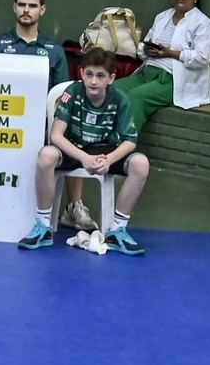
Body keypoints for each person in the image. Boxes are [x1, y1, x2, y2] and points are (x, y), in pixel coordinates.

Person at [20, 47, 151, 253]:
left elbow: (130, 141)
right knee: (46, 155)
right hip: (74, 147)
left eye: (100, 76)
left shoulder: (120, 98)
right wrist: (84, 158)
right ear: (82, 73)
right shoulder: (72, 93)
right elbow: (56, 135)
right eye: (89, 74)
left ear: (111, 78)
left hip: (105, 150)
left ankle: (117, 230)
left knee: (140, 163)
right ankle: (43, 226)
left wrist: (109, 159)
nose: (94, 81)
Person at [112, 0, 210, 129]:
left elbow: (202, 58)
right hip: (147, 74)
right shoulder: (162, 17)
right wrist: (147, 49)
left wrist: (170, 53)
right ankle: (103, 134)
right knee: (113, 89)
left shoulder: (203, 23)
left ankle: (124, 139)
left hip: (173, 80)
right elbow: (142, 48)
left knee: (136, 97)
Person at [0, 0, 67, 86]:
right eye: (21, 5)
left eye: (32, 6)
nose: (26, 10)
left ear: (42, 10)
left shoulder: (55, 51)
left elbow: (61, 92)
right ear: (15, 7)